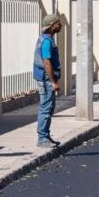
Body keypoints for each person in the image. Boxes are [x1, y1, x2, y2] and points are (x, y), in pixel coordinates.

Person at [34, 14, 62, 148]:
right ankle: (42, 138)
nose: (60, 25)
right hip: (46, 79)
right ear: (52, 26)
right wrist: (53, 81)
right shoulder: (46, 41)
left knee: (49, 107)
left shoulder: (47, 39)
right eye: (58, 23)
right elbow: (46, 62)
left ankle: (46, 135)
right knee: (46, 108)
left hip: (46, 78)